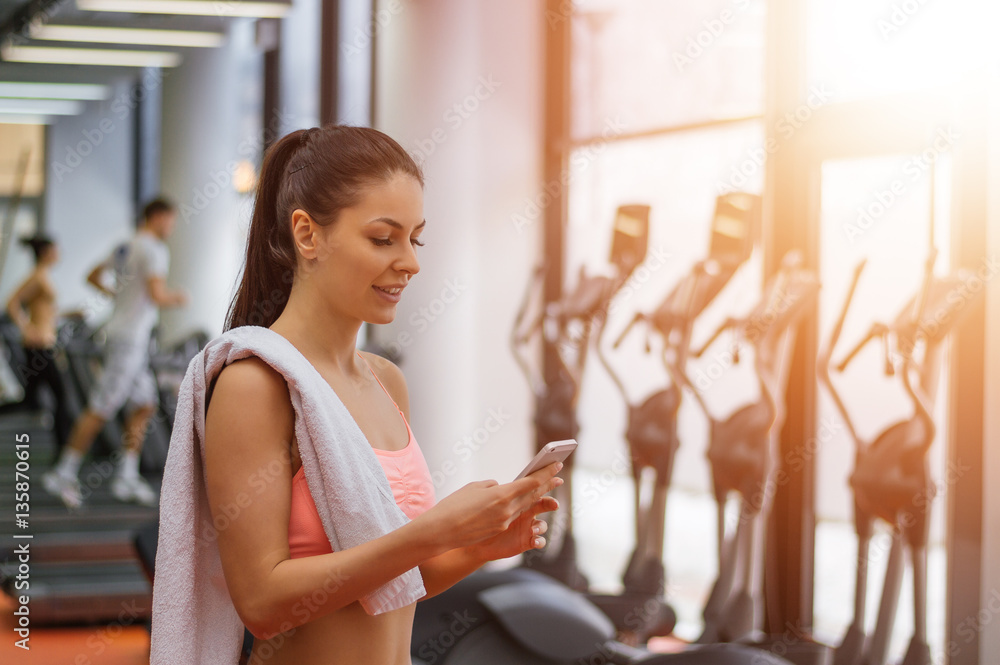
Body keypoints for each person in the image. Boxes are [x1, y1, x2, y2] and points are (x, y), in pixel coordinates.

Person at [176, 125, 561, 665]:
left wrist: (476, 547)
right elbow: (261, 603)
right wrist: (432, 532)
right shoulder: (255, 384)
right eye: (384, 238)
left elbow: (390, 585)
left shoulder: (386, 380)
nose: (410, 261)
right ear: (307, 235)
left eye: (415, 238)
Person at [42, 198, 187, 509]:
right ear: (158, 217)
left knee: (145, 404)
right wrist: (178, 297)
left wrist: (117, 296)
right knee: (102, 406)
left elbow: (92, 275)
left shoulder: (125, 245)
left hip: (121, 334)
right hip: (130, 339)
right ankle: (63, 472)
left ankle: (125, 475)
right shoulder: (154, 249)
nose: (172, 228)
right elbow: (157, 294)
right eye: (171, 221)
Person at [1, 235, 74, 447]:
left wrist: (70, 314)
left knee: (31, 401)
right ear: (45, 253)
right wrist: (27, 328)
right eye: (55, 250)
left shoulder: (44, 277)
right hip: (38, 347)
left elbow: (46, 311)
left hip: (44, 344)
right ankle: (63, 454)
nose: (59, 254)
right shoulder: (38, 277)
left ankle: (62, 454)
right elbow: (12, 303)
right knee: (61, 397)